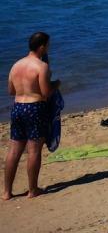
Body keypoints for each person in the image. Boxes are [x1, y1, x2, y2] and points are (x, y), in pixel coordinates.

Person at [5, 32, 58, 200]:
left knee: (14, 150)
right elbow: (45, 93)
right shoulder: (41, 67)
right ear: (42, 47)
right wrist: (57, 84)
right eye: (48, 45)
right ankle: (32, 190)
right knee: (34, 150)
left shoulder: (16, 65)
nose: (49, 47)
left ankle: (6, 192)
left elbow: (11, 91)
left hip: (17, 108)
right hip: (34, 108)